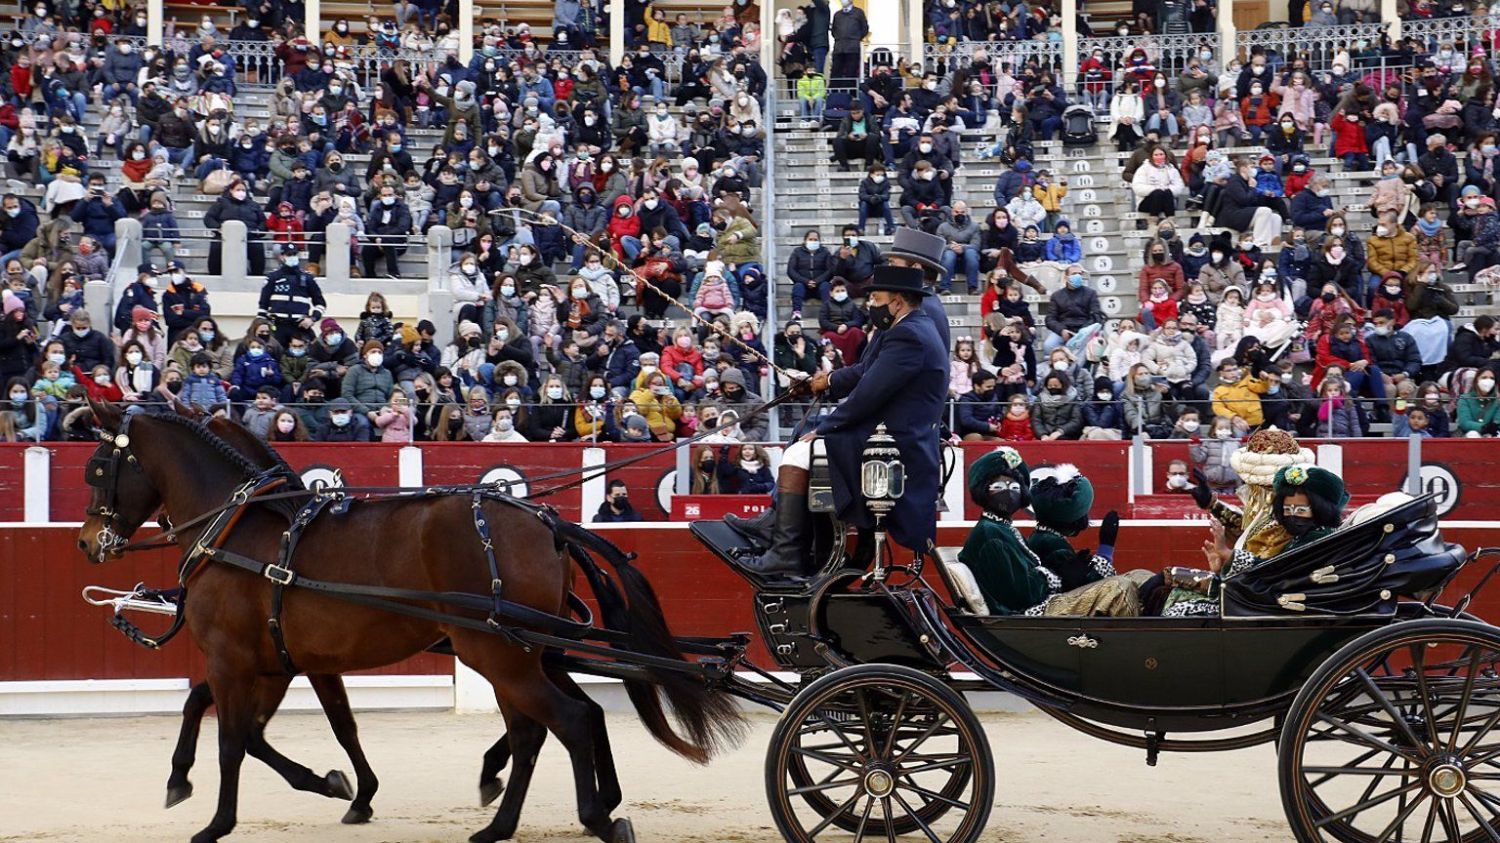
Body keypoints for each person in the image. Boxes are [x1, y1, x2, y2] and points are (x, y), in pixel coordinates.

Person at [723, 264, 946, 577]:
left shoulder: (908, 335)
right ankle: (773, 524)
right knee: (803, 437)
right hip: (895, 432)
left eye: (876, 298)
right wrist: (824, 382)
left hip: (897, 440)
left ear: (897, 301)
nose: (871, 305)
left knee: (800, 451)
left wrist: (824, 429)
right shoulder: (911, 328)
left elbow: (868, 393)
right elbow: (863, 375)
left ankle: (786, 551)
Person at [962, 448, 1145, 616]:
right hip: (1028, 614)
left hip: (1036, 605)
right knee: (1119, 588)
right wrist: (1054, 575)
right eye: (999, 488)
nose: (1009, 493)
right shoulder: (991, 534)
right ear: (983, 491)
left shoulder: (1001, 528)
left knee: (1137, 576)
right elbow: (1021, 595)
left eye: (1015, 488)